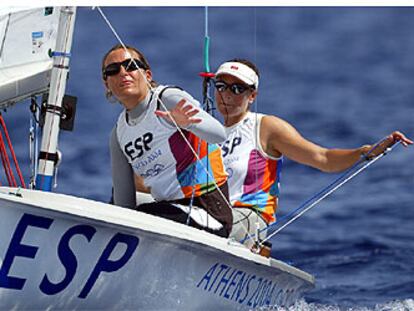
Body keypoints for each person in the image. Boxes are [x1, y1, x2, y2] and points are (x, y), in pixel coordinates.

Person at [213, 58, 413, 246]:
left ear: (252, 96)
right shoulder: (209, 133)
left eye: (237, 89)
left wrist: (367, 151)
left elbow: (323, 158)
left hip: (249, 220)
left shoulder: (266, 127)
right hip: (214, 215)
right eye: (221, 86)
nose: (227, 95)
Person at [102, 43, 232, 237]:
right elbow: (123, 203)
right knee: (113, 211)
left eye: (131, 65)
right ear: (107, 84)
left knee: (145, 215)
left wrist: (188, 124)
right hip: (169, 209)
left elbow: (219, 134)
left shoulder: (168, 98)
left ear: (147, 75)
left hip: (208, 212)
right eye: (113, 70)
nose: (123, 72)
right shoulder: (118, 134)